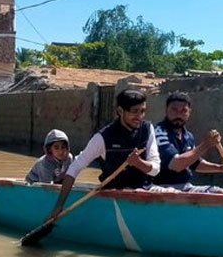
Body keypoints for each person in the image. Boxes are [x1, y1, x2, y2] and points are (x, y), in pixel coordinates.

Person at [46, 88, 160, 219]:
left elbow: (155, 169)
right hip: (117, 192)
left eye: (143, 111)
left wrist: (139, 163)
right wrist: (59, 205)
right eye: (134, 112)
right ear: (120, 111)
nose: (139, 117)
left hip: (145, 189)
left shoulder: (147, 129)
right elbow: (74, 168)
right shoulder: (103, 138)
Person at [154, 91, 223, 194]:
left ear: (189, 112)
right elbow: (176, 165)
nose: (178, 115)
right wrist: (206, 145)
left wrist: (220, 168)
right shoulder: (159, 133)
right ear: (166, 110)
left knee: (222, 194)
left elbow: (194, 163)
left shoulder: (188, 136)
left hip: (185, 186)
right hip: (162, 187)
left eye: (183, 111)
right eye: (174, 110)